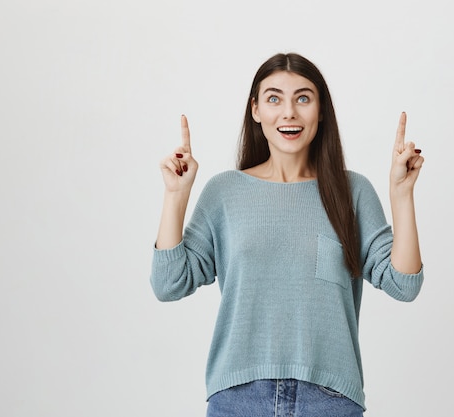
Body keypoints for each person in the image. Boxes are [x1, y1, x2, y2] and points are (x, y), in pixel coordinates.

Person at [150, 52, 425, 417]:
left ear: (321, 110)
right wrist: (175, 196)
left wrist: (401, 194)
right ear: (256, 110)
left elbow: (404, 285)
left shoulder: (352, 191)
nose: (289, 112)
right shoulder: (224, 193)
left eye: (303, 98)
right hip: (238, 399)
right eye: (274, 98)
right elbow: (168, 283)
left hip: (330, 400)